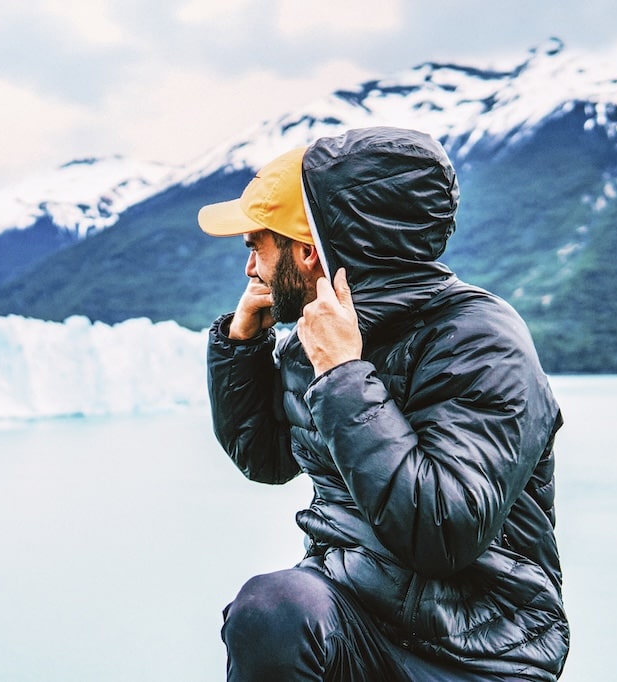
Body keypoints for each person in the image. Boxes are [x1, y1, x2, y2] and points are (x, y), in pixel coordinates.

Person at [197, 127, 568, 681]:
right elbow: (268, 459)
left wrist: (344, 375)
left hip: (477, 652)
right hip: (354, 619)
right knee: (273, 611)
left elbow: (443, 531)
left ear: (308, 252)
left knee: (277, 609)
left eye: (257, 246)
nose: (250, 270)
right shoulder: (318, 336)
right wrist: (242, 347)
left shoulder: (479, 341)